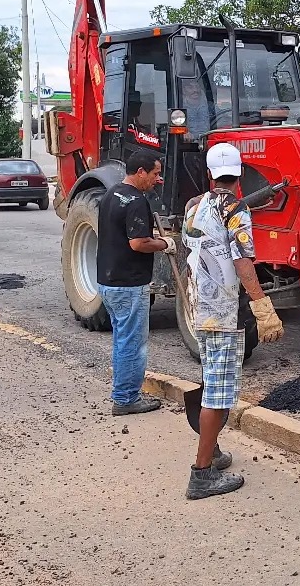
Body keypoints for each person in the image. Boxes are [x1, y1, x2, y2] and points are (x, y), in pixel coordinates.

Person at [181, 143, 286, 499]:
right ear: (239, 175)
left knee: (211, 380)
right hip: (224, 312)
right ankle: (201, 474)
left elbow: (193, 245)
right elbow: (243, 261)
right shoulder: (237, 209)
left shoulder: (193, 206)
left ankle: (212, 450)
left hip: (198, 305)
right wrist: (262, 305)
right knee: (219, 393)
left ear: (210, 173)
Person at [97, 149, 173, 416]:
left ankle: (122, 393)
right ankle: (126, 399)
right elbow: (138, 243)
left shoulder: (111, 194)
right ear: (140, 172)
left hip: (108, 281)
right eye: (155, 173)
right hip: (129, 284)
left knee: (122, 340)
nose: (157, 179)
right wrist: (165, 243)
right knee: (132, 344)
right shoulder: (136, 201)